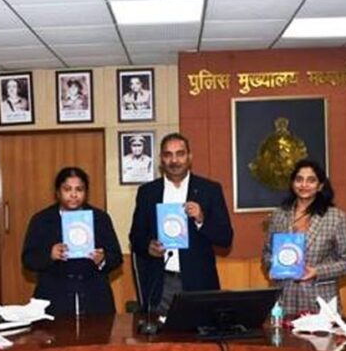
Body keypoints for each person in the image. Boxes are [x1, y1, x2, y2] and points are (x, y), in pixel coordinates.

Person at [129, 133, 234, 314]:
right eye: (168, 155)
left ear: (189, 157)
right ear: (161, 159)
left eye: (180, 154)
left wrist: (201, 220)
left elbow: (226, 238)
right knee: (161, 333)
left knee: (200, 332)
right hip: (161, 283)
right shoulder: (147, 192)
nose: (174, 160)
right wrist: (148, 247)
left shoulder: (209, 190)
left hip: (199, 283)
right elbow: (135, 236)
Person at [261, 159, 346, 317]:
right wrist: (272, 266)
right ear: (292, 183)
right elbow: (267, 252)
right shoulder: (279, 215)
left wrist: (317, 271)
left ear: (320, 186)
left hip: (321, 301)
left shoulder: (335, 217)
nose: (304, 185)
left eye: (311, 180)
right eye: (299, 179)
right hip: (285, 299)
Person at [22, 167, 123, 317]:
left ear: (86, 192)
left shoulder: (100, 218)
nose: (74, 194)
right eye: (67, 189)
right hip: (54, 297)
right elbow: (28, 259)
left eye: (79, 189)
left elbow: (116, 257)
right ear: (57, 192)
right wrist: (49, 255)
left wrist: (102, 259)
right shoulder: (41, 220)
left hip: (94, 297)